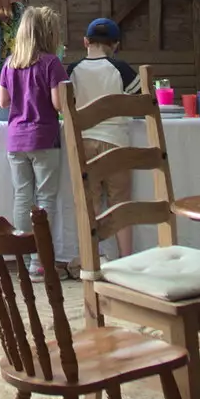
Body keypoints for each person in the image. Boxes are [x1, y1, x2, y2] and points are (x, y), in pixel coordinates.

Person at [0, 5, 68, 275]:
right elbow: (58, 103)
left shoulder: (10, 62)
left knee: (22, 197)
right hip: (44, 137)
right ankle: (41, 262)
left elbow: (3, 101)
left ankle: (24, 260)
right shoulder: (51, 63)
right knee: (46, 199)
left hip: (16, 140)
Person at [67, 17, 138, 259]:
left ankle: (91, 259)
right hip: (116, 143)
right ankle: (126, 258)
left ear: (85, 42)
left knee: (91, 204)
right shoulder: (123, 70)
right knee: (121, 205)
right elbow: (140, 103)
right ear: (115, 45)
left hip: (84, 143)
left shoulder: (72, 71)